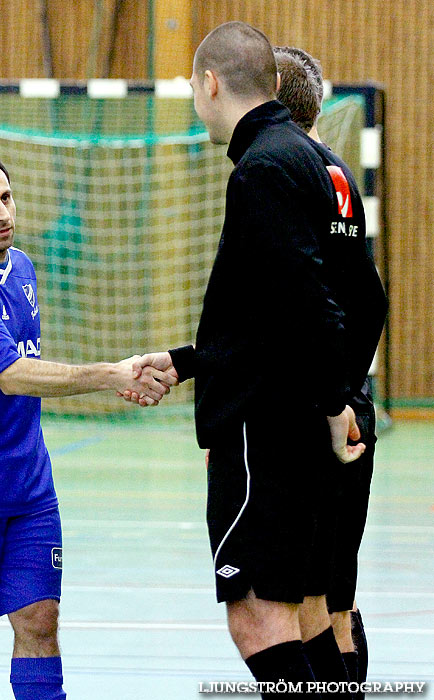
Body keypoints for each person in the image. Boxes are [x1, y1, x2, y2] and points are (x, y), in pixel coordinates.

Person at [125, 22, 384, 699]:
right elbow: (353, 302)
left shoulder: (264, 167)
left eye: (191, 87)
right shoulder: (316, 161)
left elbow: (306, 306)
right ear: (272, 84)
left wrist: (332, 404)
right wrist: (190, 361)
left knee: (257, 618)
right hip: (299, 410)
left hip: (268, 425)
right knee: (308, 611)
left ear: (208, 84)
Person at [0, 150, 177, 700]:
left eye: (6, 197)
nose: (2, 213)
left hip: (26, 486)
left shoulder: (20, 267)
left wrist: (115, 378)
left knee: (40, 621)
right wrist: (111, 372)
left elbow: (30, 369)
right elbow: (13, 375)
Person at [274, 45, 387, 695]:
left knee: (310, 601)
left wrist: (334, 399)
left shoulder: (293, 175)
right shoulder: (337, 175)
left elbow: (331, 304)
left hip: (321, 408)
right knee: (332, 594)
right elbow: (366, 298)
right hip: (346, 397)